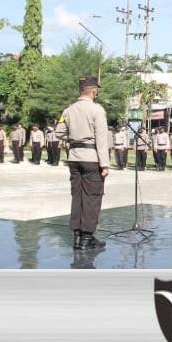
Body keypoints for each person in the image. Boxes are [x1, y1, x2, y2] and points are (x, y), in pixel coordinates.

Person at [55, 75, 108, 251]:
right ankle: (87, 238)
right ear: (94, 91)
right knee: (92, 198)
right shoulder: (97, 110)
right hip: (92, 158)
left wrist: (74, 138)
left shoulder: (68, 110)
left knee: (77, 197)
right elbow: (101, 138)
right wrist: (105, 164)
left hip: (74, 157)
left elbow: (59, 133)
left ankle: (77, 237)